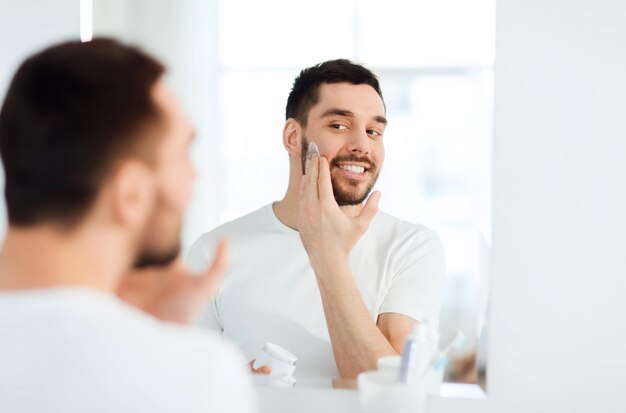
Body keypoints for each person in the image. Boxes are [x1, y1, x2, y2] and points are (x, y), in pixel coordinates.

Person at [0, 38, 256, 413]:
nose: (194, 176)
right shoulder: (197, 374)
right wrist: (170, 350)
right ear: (131, 193)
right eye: (185, 152)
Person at [186, 59, 446, 381]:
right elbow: (186, 385)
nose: (362, 145)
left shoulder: (410, 248)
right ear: (294, 137)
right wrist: (231, 390)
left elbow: (388, 389)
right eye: (339, 125)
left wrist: (328, 256)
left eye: (374, 131)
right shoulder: (213, 253)